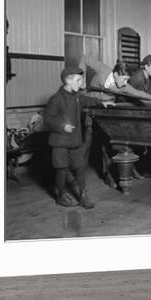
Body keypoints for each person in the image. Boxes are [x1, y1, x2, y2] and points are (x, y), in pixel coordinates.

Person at [44, 66, 113, 209]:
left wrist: (102, 103)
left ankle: (83, 196)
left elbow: (88, 100)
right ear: (68, 81)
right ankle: (61, 196)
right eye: (78, 80)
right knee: (61, 169)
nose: (81, 83)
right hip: (60, 142)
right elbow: (48, 119)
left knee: (80, 168)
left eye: (81, 80)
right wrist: (62, 126)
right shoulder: (56, 99)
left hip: (75, 141)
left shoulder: (76, 96)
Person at [78, 55, 151, 102]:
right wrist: (81, 79)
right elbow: (85, 58)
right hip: (89, 99)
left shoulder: (123, 86)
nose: (125, 83)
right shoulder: (103, 70)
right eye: (124, 79)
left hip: (106, 105)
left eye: (127, 80)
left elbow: (138, 93)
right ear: (115, 74)